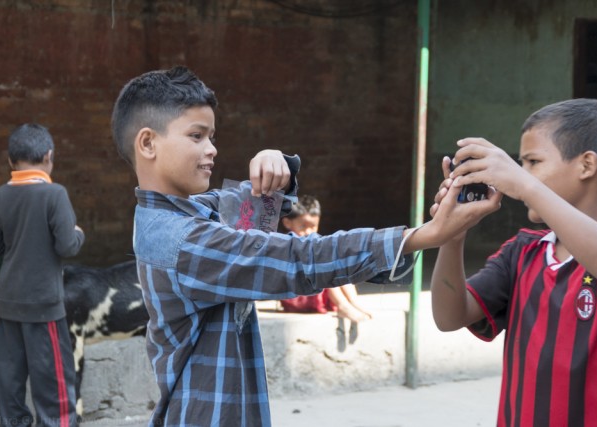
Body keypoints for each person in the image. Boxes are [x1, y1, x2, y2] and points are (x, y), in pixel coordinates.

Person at [110, 65, 498, 427]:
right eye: (197, 136)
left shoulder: (187, 213)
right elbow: (296, 259)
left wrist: (275, 163)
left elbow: (250, 203)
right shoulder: (179, 240)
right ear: (148, 143)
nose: (211, 148)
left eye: (212, 136)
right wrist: (423, 235)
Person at [430, 98, 597, 426]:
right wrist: (452, 236)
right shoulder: (523, 251)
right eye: (521, 164)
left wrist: (526, 186)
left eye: (532, 162)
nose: (520, 174)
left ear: (587, 165)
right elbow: (449, 317)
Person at [0, 123, 85, 427]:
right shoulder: (54, 194)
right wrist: (78, 233)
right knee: (53, 383)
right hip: (44, 306)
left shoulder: (1, 195)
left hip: (9, 302)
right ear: (49, 156)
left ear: (11, 162)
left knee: (9, 380)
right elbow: (67, 245)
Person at [279, 195, 373, 323]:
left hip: (318, 293)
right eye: (303, 227)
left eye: (313, 227)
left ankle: (354, 302)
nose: (309, 232)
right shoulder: (289, 242)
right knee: (323, 268)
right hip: (299, 294)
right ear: (287, 223)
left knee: (339, 268)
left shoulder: (316, 240)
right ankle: (343, 306)